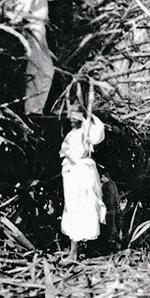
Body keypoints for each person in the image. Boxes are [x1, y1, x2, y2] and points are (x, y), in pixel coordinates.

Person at [13, 0, 59, 114]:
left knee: (42, 69)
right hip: (34, 30)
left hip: (39, 28)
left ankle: (35, 108)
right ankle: (32, 109)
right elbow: (21, 11)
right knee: (41, 70)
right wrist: (27, 25)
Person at [60, 101, 107, 258]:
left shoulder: (86, 133)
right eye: (71, 117)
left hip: (82, 174)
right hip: (71, 174)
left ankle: (75, 251)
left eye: (75, 117)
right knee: (72, 207)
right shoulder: (71, 135)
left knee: (81, 207)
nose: (72, 120)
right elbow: (65, 153)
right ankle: (76, 248)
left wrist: (89, 116)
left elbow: (97, 134)